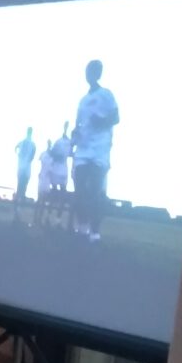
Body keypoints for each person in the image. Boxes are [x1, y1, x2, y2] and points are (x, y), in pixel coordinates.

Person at [72, 61, 119, 242]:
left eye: (93, 71)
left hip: (100, 149)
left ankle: (95, 231)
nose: (89, 74)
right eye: (87, 71)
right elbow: (78, 124)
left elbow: (116, 117)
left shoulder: (106, 95)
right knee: (79, 189)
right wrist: (75, 134)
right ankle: (83, 227)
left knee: (95, 191)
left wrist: (102, 122)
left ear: (98, 74)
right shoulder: (82, 101)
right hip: (83, 149)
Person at [13, 127, 36, 217]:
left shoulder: (22, 142)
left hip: (21, 166)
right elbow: (33, 155)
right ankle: (19, 205)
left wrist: (19, 155)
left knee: (20, 185)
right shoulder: (32, 144)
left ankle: (18, 205)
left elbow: (15, 148)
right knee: (23, 186)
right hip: (26, 168)